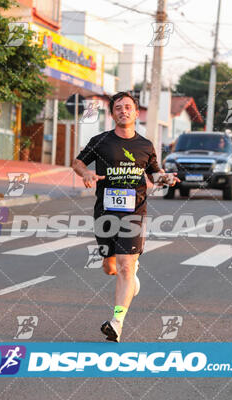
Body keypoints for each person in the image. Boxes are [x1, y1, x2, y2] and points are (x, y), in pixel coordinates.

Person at [72, 91, 180, 342]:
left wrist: (166, 178)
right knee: (111, 267)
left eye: (128, 107)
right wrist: (85, 174)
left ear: (135, 112)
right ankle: (132, 280)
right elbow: (77, 162)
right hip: (106, 212)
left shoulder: (145, 145)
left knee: (124, 266)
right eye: (118, 107)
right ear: (112, 114)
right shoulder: (100, 141)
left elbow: (155, 175)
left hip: (135, 211)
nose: (123, 111)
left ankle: (117, 321)